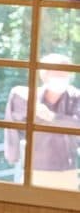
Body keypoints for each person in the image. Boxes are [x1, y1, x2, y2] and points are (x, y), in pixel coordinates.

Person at [5, 54, 79, 190]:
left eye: (65, 73)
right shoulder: (26, 97)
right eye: (57, 73)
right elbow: (12, 125)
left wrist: (51, 117)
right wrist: (12, 155)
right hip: (35, 168)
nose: (62, 76)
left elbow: (77, 125)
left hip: (67, 170)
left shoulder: (76, 97)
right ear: (45, 75)